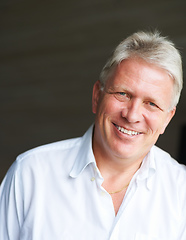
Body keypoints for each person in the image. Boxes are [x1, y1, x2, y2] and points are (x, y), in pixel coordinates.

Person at [0, 31, 185, 240]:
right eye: (123, 94)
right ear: (97, 96)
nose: (132, 115)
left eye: (151, 104)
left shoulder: (181, 192)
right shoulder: (30, 174)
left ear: (167, 119)